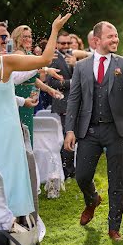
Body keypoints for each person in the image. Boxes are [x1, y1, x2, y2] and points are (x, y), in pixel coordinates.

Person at [0, 13, 71, 217]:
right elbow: (45, 59)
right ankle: (13, 229)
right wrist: (55, 29)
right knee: (9, 182)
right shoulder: (4, 62)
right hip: (5, 136)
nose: (2, 39)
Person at [64, 21, 123, 241]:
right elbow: (74, 100)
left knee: (116, 179)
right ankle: (92, 200)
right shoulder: (81, 67)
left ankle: (114, 227)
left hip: (115, 130)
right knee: (81, 176)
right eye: (110, 36)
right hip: (88, 131)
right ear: (97, 40)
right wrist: (69, 130)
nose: (115, 40)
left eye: (116, 36)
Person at [11, 24, 62, 145]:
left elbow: (33, 79)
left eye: (30, 36)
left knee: (28, 129)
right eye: (24, 37)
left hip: (29, 94)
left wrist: (49, 89)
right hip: (21, 94)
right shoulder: (18, 53)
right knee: (23, 130)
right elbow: (21, 77)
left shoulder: (28, 53)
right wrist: (46, 69)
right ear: (17, 38)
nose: (28, 39)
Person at [49, 30, 76, 178]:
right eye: (62, 43)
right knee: (67, 137)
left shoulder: (72, 57)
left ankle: (71, 169)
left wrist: (75, 65)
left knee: (73, 136)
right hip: (63, 103)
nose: (65, 45)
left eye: (68, 43)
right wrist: (71, 82)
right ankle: (67, 171)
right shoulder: (54, 58)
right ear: (57, 44)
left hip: (75, 103)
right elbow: (51, 82)